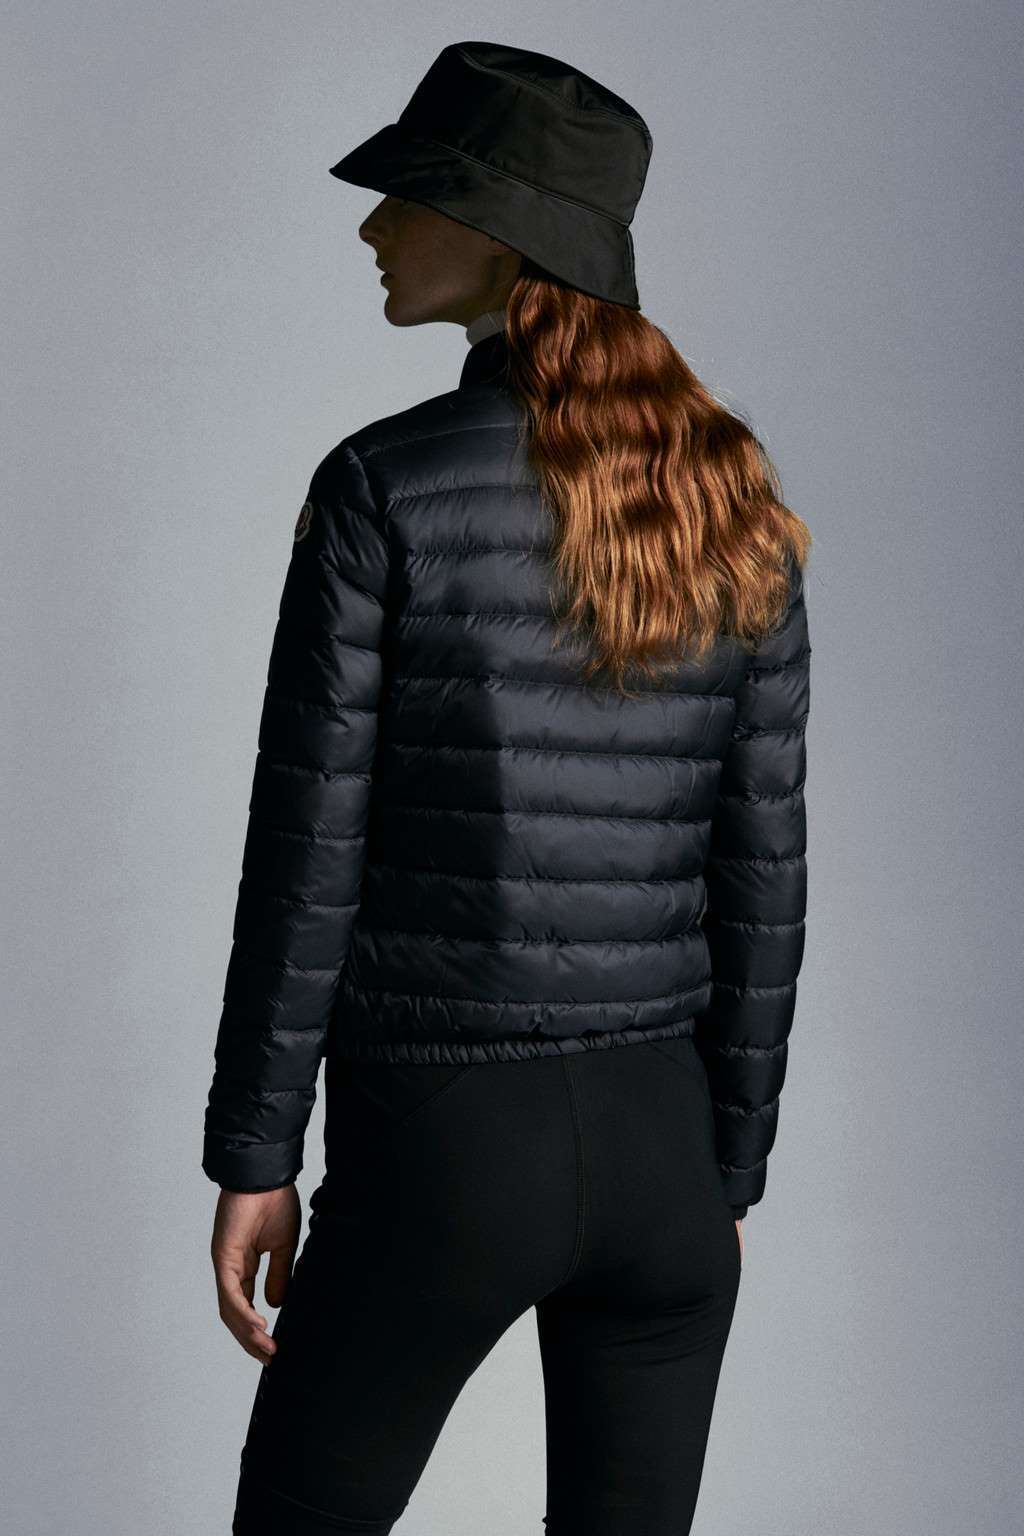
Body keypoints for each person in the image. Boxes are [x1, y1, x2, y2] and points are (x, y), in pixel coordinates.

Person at [203, 40, 812, 1536]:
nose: (372, 227)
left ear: (500, 235)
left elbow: (308, 853)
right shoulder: (732, 498)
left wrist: (256, 1155)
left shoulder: (381, 486)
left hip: (447, 1146)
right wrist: (729, 1168)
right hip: (667, 1154)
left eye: (408, 196)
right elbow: (764, 867)